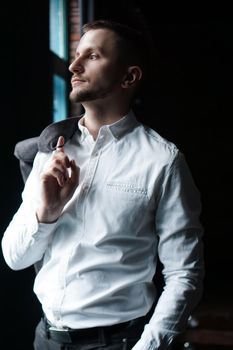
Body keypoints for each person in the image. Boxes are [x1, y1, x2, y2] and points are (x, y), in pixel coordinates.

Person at [1, 19, 204, 350]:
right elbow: (14, 257)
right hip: (46, 339)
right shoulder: (51, 152)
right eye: (77, 55)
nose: (73, 65)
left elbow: (185, 275)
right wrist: (47, 212)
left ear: (129, 76)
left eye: (92, 56)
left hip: (119, 342)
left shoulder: (163, 162)